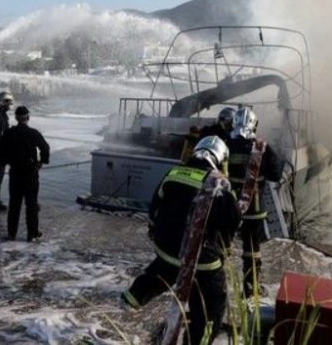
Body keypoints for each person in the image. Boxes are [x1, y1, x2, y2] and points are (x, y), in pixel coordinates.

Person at [121, 136, 240, 345]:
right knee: (211, 305)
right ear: (220, 159)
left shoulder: (173, 173)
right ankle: (199, 338)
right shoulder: (219, 183)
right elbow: (233, 219)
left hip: (166, 251)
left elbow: (154, 207)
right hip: (202, 262)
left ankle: (128, 303)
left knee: (158, 274)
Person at [226, 107, 282, 298]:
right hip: (254, 209)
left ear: (233, 123)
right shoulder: (263, 149)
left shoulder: (225, 145)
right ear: (255, 125)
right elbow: (276, 176)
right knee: (251, 251)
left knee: (219, 246)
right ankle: (250, 290)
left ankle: (217, 285)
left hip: (227, 207)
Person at [0, 106, 50, 242]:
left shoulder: (9, 133)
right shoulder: (33, 133)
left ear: (16, 118)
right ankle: (32, 233)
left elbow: (1, 151)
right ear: (28, 117)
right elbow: (45, 148)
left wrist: (8, 162)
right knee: (31, 204)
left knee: (14, 204)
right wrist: (41, 162)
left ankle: (12, 233)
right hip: (30, 173)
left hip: (15, 172)